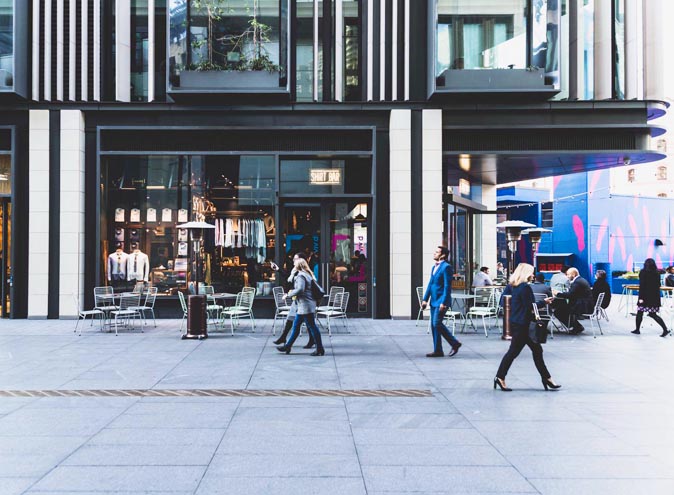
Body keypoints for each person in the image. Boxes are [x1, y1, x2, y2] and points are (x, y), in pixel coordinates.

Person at [494, 263, 561, 392]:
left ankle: (546, 378)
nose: (533, 275)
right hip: (523, 325)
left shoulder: (515, 286)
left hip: (518, 323)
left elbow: (516, 304)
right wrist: (545, 302)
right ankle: (500, 376)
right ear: (526, 273)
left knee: (533, 351)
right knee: (516, 352)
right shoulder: (525, 288)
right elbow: (530, 306)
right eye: (531, 272)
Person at [277, 258, 325, 356]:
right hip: (304, 305)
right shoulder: (307, 274)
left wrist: (288, 294)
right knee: (296, 326)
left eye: (295, 263)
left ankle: (320, 348)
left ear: (298, 265)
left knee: (312, 327)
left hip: (305, 306)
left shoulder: (301, 276)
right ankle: (288, 346)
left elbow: (300, 289)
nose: (293, 264)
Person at [421, 246, 462, 357]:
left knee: (437, 323)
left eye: (437, 252)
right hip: (433, 300)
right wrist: (425, 299)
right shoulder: (434, 267)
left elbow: (447, 286)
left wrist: (443, 302)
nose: (434, 253)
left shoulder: (446, 267)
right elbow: (431, 284)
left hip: (441, 301)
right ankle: (438, 350)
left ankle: (455, 343)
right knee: (434, 326)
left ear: (443, 255)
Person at [271, 252, 314, 348]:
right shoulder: (295, 271)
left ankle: (313, 342)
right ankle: (284, 338)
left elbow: (300, 288)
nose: (293, 261)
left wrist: (288, 294)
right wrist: (278, 269)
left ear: (301, 260)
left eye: (295, 259)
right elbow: (288, 279)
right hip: (298, 300)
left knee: (306, 323)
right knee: (294, 319)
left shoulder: (301, 273)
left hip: (303, 301)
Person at [631, 258, 670, 337]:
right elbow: (658, 285)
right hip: (654, 297)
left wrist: (641, 298)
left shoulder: (643, 272)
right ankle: (665, 329)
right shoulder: (657, 273)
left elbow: (642, 286)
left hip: (644, 297)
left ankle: (637, 329)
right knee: (653, 314)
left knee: (640, 313)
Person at [548, 267, 593, 334]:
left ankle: (576, 327)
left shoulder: (577, 282)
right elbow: (572, 294)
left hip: (581, 305)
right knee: (562, 308)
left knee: (558, 311)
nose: (567, 276)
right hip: (584, 304)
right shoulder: (580, 280)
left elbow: (570, 295)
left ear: (573, 274)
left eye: (568, 274)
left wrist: (557, 293)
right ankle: (576, 326)